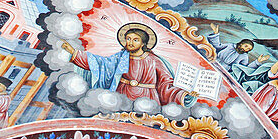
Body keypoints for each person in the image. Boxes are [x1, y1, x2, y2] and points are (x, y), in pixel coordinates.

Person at [61, 24, 195, 106]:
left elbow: (166, 84)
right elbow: (100, 64)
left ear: (143, 43)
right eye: (128, 39)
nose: (130, 42)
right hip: (122, 95)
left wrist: (184, 95)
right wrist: (74, 53)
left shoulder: (154, 60)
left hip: (147, 98)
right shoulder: (121, 57)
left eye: (135, 40)